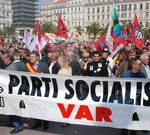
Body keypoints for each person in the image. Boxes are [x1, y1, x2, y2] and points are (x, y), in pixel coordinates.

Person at [3, 53, 28, 134]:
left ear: (8, 59)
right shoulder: (16, 65)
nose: (3, 60)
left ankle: (18, 126)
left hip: (13, 92)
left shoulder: (11, 67)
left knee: (13, 108)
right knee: (11, 108)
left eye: (5, 58)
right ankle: (12, 123)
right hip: (17, 90)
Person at [121, 58, 145, 135]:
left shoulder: (142, 75)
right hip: (126, 100)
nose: (141, 66)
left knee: (135, 119)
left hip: (137, 101)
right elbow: (120, 87)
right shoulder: (125, 75)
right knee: (125, 119)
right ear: (134, 65)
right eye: (140, 64)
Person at [27, 51, 49, 130]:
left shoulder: (44, 65)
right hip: (33, 89)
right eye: (30, 57)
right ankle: (38, 122)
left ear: (37, 57)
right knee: (34, 106)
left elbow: (49, 77)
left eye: (32, 57)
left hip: (42, 89)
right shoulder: (28, 65)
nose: (30, 58)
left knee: (43, 106)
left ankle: (45, 123)